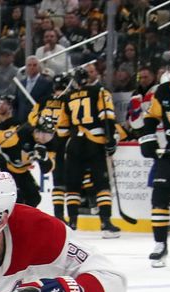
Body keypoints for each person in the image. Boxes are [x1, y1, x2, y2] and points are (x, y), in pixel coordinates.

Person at [57, 67, 120, 237]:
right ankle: (105, 223)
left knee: (73, 185)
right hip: (94, 142)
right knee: (101, 183)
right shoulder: (99, 91)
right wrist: (110, 139)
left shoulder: (67, 97)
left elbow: (62, 129)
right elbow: (106, 116)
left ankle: (72, 223)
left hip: (74, 145)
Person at [139, 55, 170, 267]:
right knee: (159, 196)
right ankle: (160, 245)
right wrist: (148, 140)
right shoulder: (163, 91)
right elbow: (151, 118)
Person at [28, 72, 70, 222]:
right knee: (62, 179)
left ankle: (59, 215)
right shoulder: (68, 99)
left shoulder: (44, 100)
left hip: (47, 139)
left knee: (57, 178)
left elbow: (32, 118)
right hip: (64, 141)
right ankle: (65, 215)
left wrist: (41, 128)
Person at [0, 115, 57, 207]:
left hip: (21, 171)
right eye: (42, 133)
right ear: (36, 130)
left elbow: (47, 169)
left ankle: (22, 219)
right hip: (4, 167)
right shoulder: (22, 133)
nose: (44, 138)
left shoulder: (49, 145)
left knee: (34, 198)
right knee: (15, 197)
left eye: (48, 135)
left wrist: (45, 159)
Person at [15, 56, 53, 122]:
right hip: (21, 120)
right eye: (29, 65)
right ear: (26, 67)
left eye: (34, 65)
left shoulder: (46, 83)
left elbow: (47, 103)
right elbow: (16, 102)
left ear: (39, 67)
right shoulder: (21, 83)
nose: (32, 67)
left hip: (37, 119)